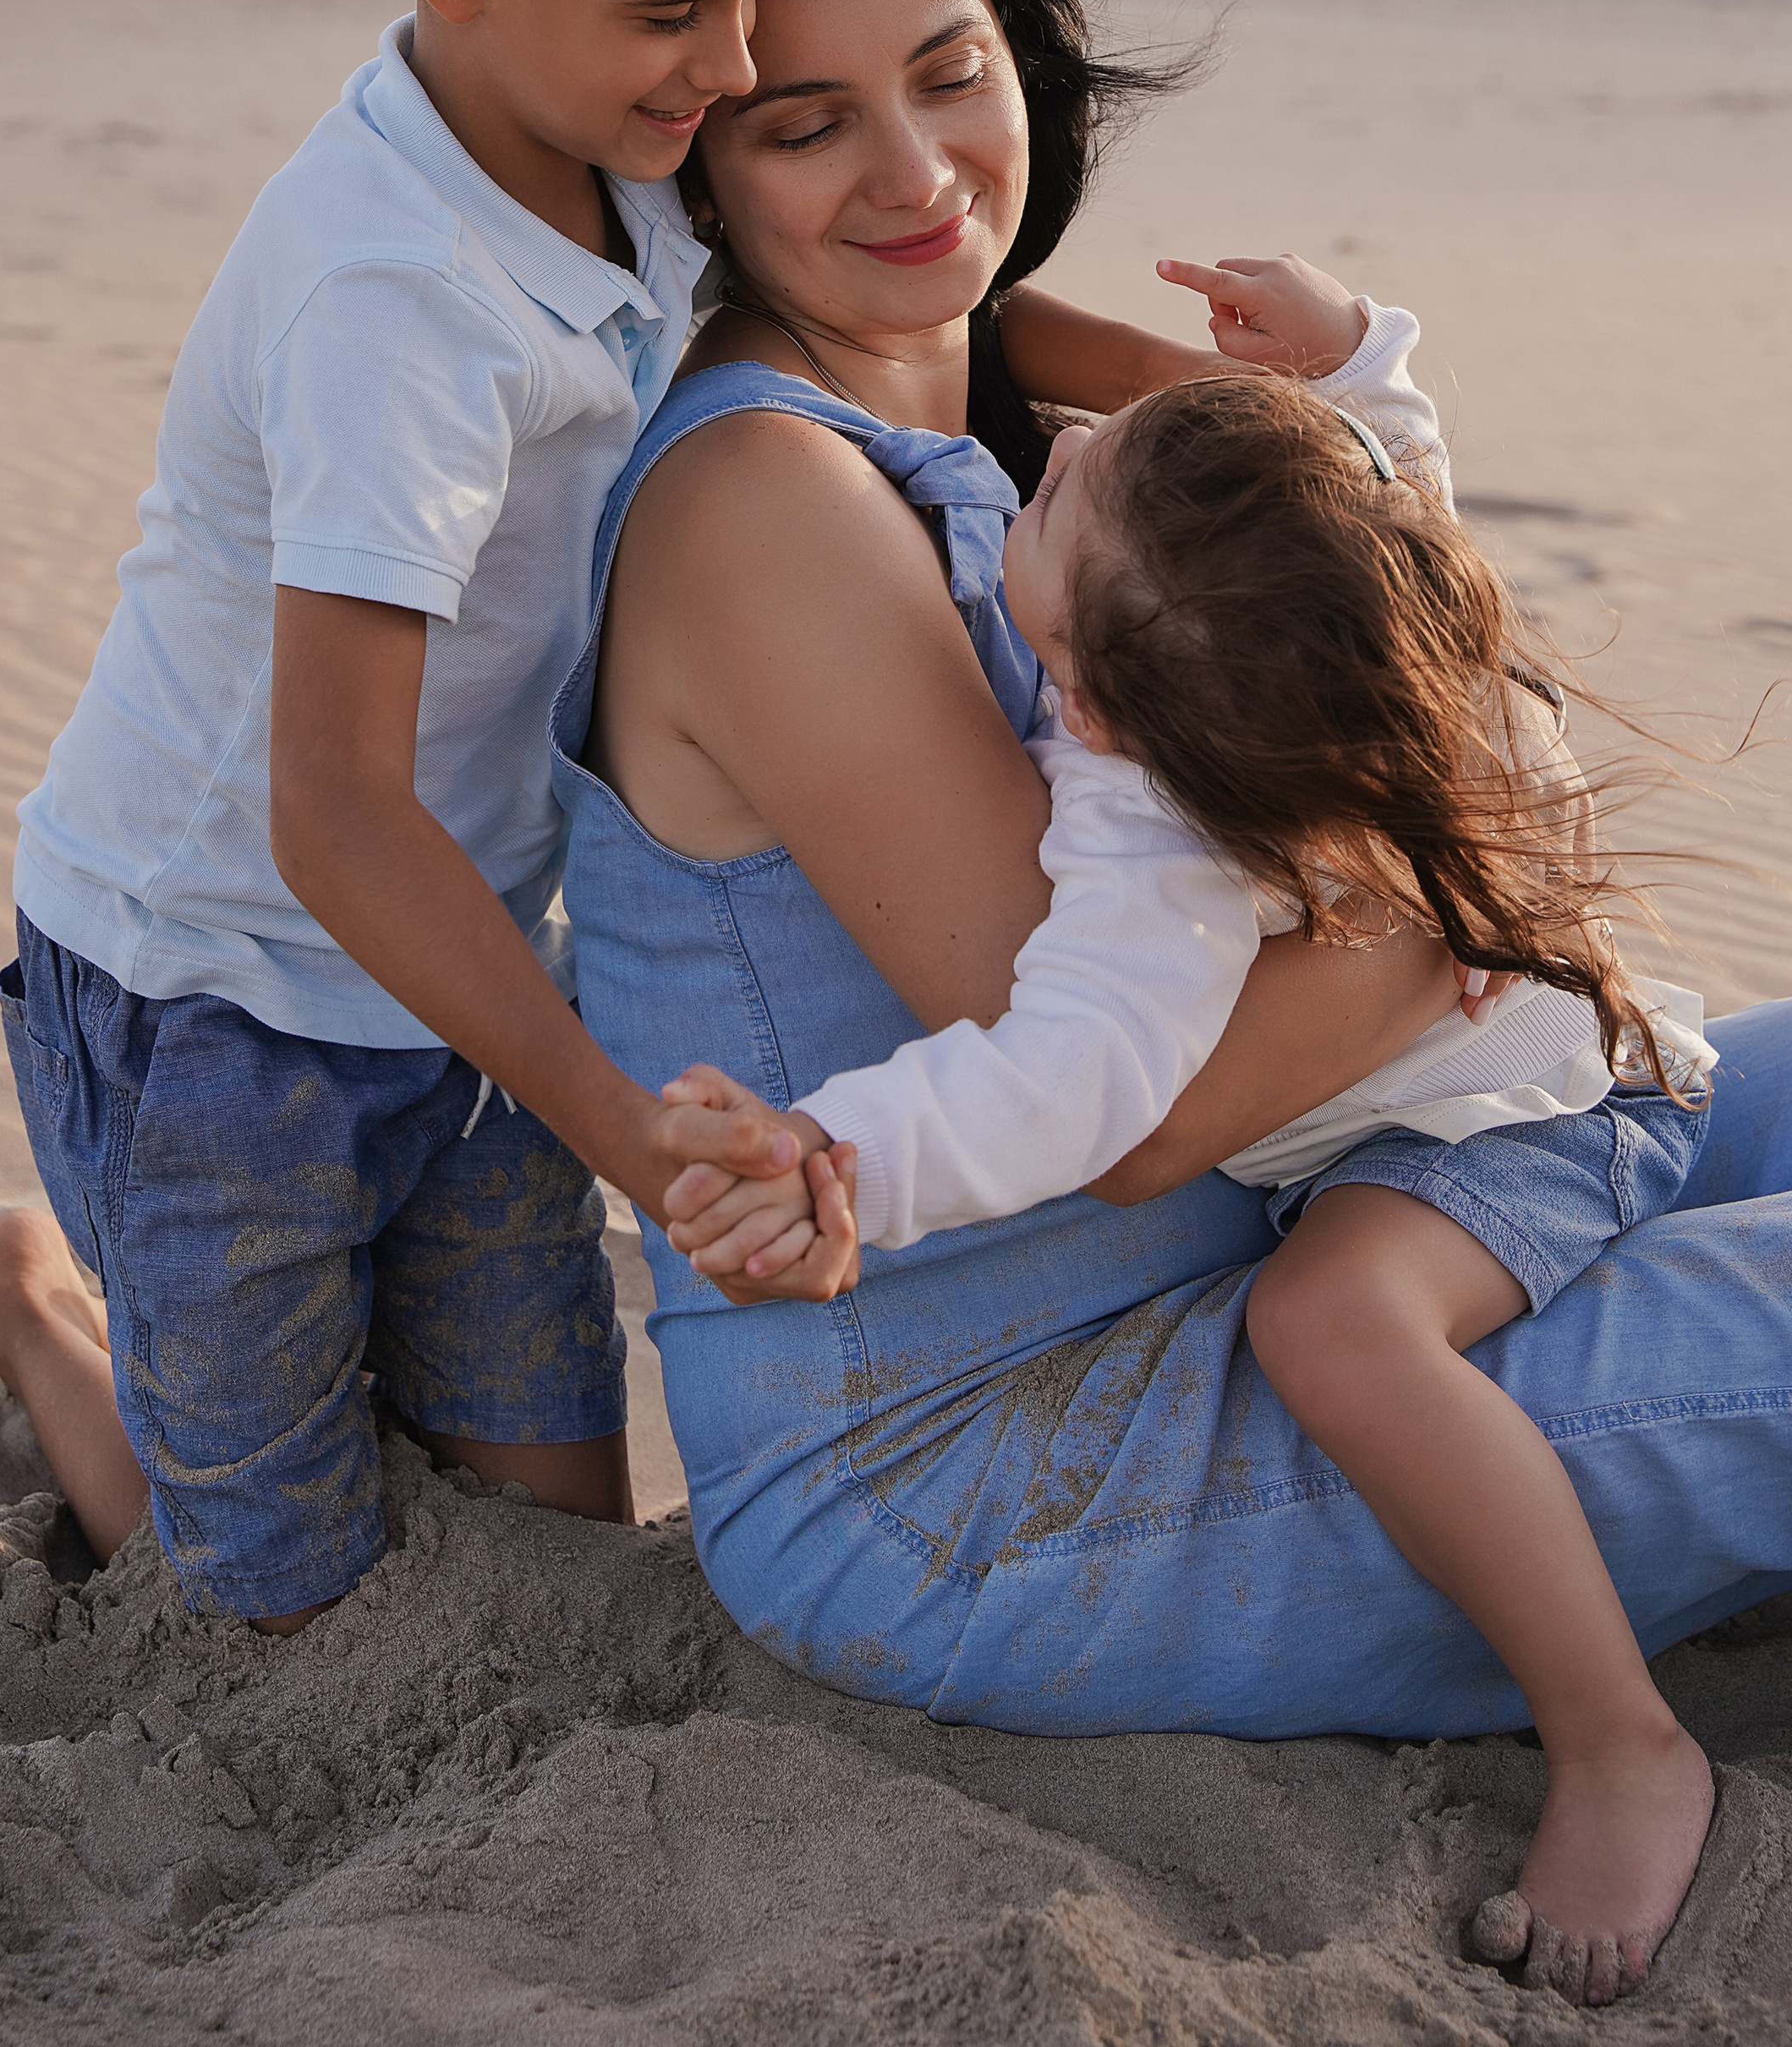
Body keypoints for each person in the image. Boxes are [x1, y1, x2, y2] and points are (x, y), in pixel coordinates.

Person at [549, 0, 1792, 2015]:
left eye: (951, 75)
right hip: (1003, 1468)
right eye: (803, 124)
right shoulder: (771, 498)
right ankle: (1621, 1738)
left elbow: (1397, 576)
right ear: (694, 160)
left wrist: (1458, 827)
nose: (913, 173)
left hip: (1344, 1190)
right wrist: (1480, 881)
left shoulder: (1006, 391)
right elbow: (1134, 1113)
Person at [666, 265, 1720, 2005]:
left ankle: (1618, 1740)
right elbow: (1383, 482)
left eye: (1070, 489)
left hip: (1527, 1120)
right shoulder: (1231, 653)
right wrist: (1354, 360)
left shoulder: (1140, 822)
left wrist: (834, 1157)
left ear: (1079, 703)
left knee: (1331, 1324)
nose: (1073, 441)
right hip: (1483, 1069)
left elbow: (1073, 1079)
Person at [0, 0, 840, 1628]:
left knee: (550, 1527)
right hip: (210, 999)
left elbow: (822, 281)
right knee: (270, 1607)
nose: (730, 66)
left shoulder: (612, 141)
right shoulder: (391, 298)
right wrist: (621, 1132)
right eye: (675, 13)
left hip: (453, 974)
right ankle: (35, 1316)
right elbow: (334, 815)